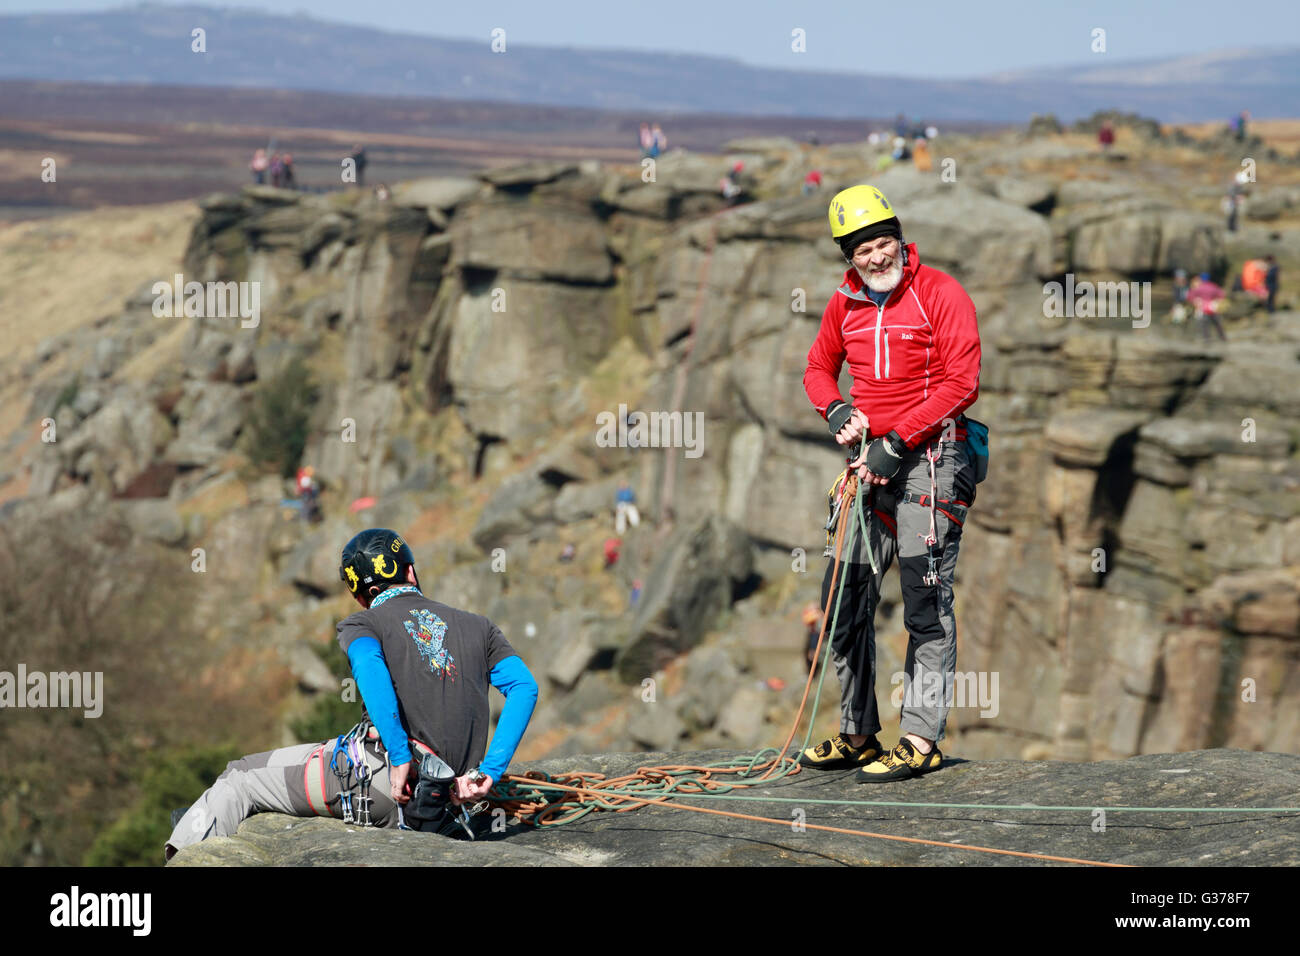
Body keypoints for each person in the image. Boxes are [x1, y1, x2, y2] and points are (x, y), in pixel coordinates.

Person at [163, 529, 538, 860]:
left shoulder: (364, 622)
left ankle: (187, 849)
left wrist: (398, 754)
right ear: (410, 571)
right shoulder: (478, 627)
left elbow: (369, 668)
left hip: (379, 783)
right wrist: (488, 773)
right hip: (450, 798)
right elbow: (524, 688)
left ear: (360, 596)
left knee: (240, 777)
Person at [801, 184, 981, 783]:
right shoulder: (844, 302)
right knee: (843, 599)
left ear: (901, 240)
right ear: (847, 257)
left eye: (884, 243)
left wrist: (896, 440)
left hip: (932, 463)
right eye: (862, 250)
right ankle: (857, 733)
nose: (877, 258)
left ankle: (921, 738)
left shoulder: (940, 293)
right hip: (866, 469)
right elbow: (817, 367)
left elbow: (962, 382)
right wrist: (833, 409)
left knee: (924, 603)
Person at [1188, 273, 1227, 342]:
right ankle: (1222, 337)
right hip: (1212, 308)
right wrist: (1217, 300)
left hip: (1203, 308)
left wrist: (1195, 302)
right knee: (1217, 323)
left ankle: (1206, 338)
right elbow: (1222, 294)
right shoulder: (1213, 286)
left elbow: (1190, 296)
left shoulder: (1198, 288)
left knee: (1204, 325)